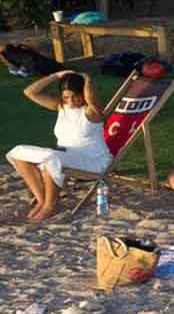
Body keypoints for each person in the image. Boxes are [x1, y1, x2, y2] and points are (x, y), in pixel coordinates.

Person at [9, 71, 107, 222]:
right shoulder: (62, 107)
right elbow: (30, 92)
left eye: (74, 96)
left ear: (83, 92)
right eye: (66, 97)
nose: (71, 100)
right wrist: (56, 76)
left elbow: (91, 98)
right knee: (18, 152)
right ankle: (41, 200)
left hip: (93, 161)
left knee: (51, 158)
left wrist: (86, 79)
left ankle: (49, 206)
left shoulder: (92, 112)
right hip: (64, 156)